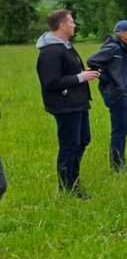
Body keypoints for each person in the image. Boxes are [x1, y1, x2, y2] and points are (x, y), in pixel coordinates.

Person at [36, 10, 99, 197]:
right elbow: (51, 82)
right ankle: (68, 186)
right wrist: (81, 77)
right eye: (71, 21)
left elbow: (70, 72)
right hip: (65, 105)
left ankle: (73, 178)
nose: (74, 24)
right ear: (62, 25)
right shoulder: (50, 52)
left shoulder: (66, 46)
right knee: (69, 145)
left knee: (83, 139)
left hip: (78, 102)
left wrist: (84, 73)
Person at [87, 20, 127, 171]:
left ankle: (120, 160)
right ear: (122, 33)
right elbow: (92, 61)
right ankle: (117, 165)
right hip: (117, 93)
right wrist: (108, 80)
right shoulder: (113, 48)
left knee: (124, 129)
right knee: (118, 130)